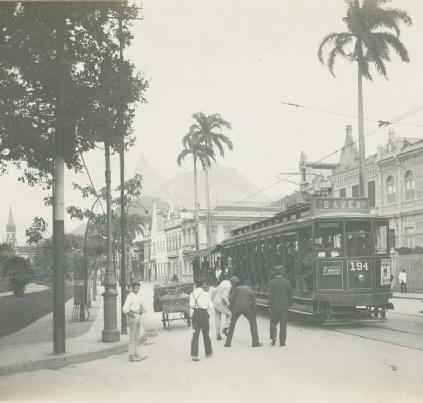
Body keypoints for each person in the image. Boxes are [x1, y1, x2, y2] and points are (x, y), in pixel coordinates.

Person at [224, 277, 262, 348]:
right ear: (250, 285)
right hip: (247, 309)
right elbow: (254, 303)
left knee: (232, 325)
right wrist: (254, 313)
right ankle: (255, 343)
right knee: (253, 323)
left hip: (236, 308)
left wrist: (231, 308)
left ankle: (227, 343)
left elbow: (232, 299)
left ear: (244, 284)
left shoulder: (237, 288)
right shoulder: (251, 291)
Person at [122, 281, 148, 362]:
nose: (137, 290)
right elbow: (125, 309)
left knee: (136, 337)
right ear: (132, 288)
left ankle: (135, 353)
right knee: (133, 337)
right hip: (133, 317)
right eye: (136, 288)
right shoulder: (130, 296)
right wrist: (132, 315)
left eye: (138, 288)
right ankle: (131, 355)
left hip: (138, 316)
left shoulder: (135, 296)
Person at [189, 277, 213, 361]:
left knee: (195, 334)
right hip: (204, 315)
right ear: (203, 285)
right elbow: (210, 306)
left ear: (195, 285)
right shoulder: (206, 294)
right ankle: (208, 353)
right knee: (206, 334)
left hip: (195, 315)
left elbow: (191, 305)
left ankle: (194, 354)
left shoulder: (192, 294)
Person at [268, 265, 293, 347]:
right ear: (283, 273)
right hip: (284, 307)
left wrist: (269, 306)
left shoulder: (272, 282)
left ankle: (273, 337)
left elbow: (270, 295)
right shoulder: (287, 282)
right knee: (283, 325)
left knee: (273, 322)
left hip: (275, 307)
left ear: (275, 273)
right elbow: (290, 294)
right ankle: (282, 343)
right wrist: (290, 304)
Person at [212, 274, 232, 340]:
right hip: (221, 303)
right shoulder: (229, 286)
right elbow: (224, 297)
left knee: (217, 318)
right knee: (230, 314)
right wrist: (228, 304)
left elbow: (216, 290)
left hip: (216, 301)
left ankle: (218, 335)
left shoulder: (223, 282)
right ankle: (225, 328)